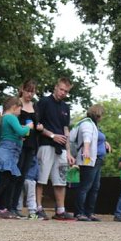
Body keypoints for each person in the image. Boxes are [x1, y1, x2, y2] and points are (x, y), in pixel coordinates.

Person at [0, 97, 33, 219]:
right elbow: (21, 131)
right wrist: (28, 127)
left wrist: (14, 136)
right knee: (5, 179)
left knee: (9, 179)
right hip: (9, 151)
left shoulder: (2, 119)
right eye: (20, 109)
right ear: (15, 107)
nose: (20, 112)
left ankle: (3, 208)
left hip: (5, 149)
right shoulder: (11, 117)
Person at [34, 77, 75, 220]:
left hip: (62, 148)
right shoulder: (44, 102)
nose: (63, 93)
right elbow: (37, 125)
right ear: (56, 87)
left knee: (61, 180)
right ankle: (38, 208)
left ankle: (60, 210)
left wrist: (69, 151)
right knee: (41, 179)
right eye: (61, 89)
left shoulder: (65, 107)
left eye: (66, 91)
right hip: (46, 145)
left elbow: (66, 129)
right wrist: (52, 136)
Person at [8, 80, 40, 218]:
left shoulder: (35, 106)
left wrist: (39, 127)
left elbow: (37, 123)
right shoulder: (16, 104)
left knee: (22, 177)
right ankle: (8, 206)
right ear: (22, 89)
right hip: (18, 144)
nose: (30, 94)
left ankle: (15, 206)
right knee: (14, 175)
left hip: (31, 145)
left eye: (32, 91)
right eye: (28, 90)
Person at [73, 103, 106, 221]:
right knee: (85, 186)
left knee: (95, 187)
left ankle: (89, 212)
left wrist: (105, 143)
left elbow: (98, 138)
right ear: (98, 114)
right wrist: (86, 149)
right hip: (89, 158)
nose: (102, 118)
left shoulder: (95, 125)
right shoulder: (87, 124)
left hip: (98, 159)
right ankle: (79, 212)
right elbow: (87, 137)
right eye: (101, 115)